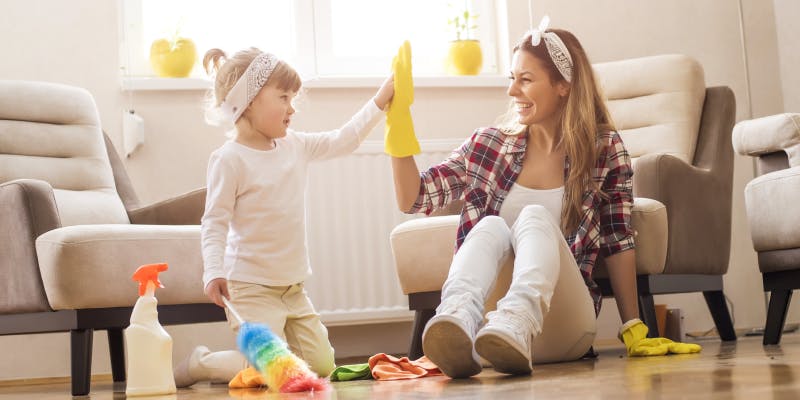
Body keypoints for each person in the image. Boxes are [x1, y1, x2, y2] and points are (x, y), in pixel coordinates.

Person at [388, 19, 699, 379]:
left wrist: (634, 326)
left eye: (525, 80)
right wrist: (398, 124)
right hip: (488, 336)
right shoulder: (489, 146)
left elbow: (618, 240)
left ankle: (519, 318)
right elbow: (415, 198)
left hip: (563, 326)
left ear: (563, 86)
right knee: (489, 226)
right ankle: (456, 317)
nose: (512, 91)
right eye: (511, 78)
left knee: (534, 217)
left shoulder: (603, 149)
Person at [173, 47, 394, 387]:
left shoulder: (296, 146)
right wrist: (214, 270)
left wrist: (380, 101)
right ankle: (201, 363)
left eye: (293, 98)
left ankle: (271, 359)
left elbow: (343, 140)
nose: (292, 108)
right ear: (248, 102)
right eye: (284, 97)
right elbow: (214, 222)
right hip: (250, 289)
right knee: (268, 370)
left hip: (292, 288)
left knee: (322, 366)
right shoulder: (229, 160)